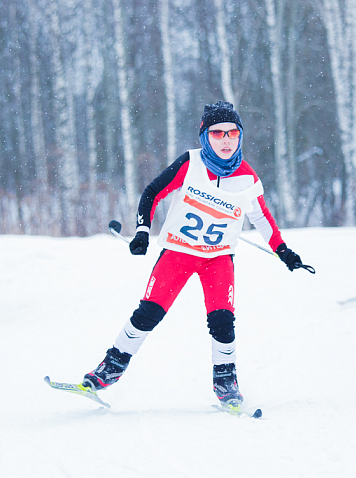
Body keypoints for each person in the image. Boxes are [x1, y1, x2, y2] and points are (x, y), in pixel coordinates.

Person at [83, 101, 305, 409]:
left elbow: (261, 217)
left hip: (218, 259)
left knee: (223, 320)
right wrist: (143, 231)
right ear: (205, 136)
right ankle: (109, 370)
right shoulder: (191, 163)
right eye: (217, 134)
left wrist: (284, 252)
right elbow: (152, 192)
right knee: (148, 314)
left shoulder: (247, 178)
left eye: (232, 133)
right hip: (178, 253)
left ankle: (226, 382)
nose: (226, 140)